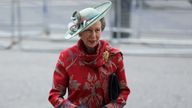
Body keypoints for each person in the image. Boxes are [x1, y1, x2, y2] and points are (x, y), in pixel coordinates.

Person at [48, 1, 130, 108]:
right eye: (88, 30)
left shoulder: (114, 56)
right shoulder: (66, 57)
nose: (94, 36)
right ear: (80, 33)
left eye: (97, 30)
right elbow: (55, 95)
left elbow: (124, 91)